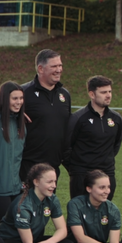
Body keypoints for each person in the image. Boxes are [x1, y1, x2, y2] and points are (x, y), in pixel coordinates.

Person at [65, 75, 122, 200]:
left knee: (103, 215)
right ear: (92, 94)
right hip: (82, 175)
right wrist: (77, 168)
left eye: (109, 91)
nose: (108, 95)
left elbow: (115, 145)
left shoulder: (116, 119)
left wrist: (105, 161)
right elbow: (66, 146)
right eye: (103, 92)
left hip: (107, 173)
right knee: (80, 215)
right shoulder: (78, 118)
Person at [20, 49, 72, 182]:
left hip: (54, 165)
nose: (59, 69)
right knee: (26, 202)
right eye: (54, 66)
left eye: (60, 65)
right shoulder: (23, 92)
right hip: (28, 165)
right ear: (41, 69)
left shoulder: (64, 95)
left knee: (48, 202)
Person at [0, 81, 26, 220]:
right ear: (4, 99)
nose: (18, 102)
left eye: (21, 98)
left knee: (18, 224)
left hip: (16, 185)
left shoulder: (20, 122)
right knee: (6, 224)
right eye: (14, 98)